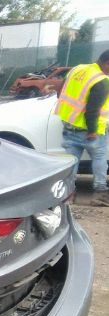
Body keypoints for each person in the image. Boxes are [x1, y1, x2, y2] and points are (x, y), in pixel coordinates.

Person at [56, 50, 109, 206]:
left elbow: (61, 87)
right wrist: (92, 130)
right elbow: (93, 109)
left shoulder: (78, 69)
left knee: (71, 163)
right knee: (99, 159)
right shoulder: (101, 81)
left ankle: (68, 196)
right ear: (107, 63)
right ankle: (99, 194)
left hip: (69, 125)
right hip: (90, 131)